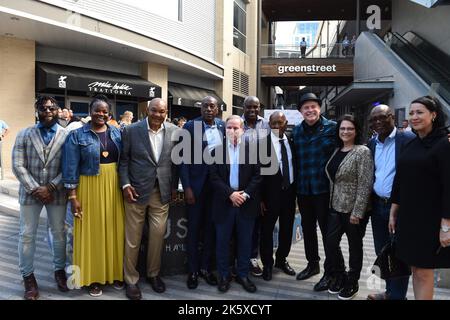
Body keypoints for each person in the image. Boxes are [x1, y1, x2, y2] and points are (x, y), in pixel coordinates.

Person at [62, 95, 124, 297]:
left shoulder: (117, 132)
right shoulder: (77, 135)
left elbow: (124, 161)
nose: (101, 114)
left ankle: (113, 273)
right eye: (97, 110)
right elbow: (70, 167)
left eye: (105, 111)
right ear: (90, 111)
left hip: (113, 185)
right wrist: (73, 196)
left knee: (113, 230)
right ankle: (92, 278)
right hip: (89, 185)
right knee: (90, 233)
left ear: (109, 113)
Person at [389, 96, 450, 300]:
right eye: (411, 113)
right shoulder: (411, 143)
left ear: (433, 115)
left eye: (419, 112)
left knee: (424, 272)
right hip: (409, 218)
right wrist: (393, 210)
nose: (414, 117)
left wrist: (446, 226)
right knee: (415, 269)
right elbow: (400, 179)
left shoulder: (444, 145)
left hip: (430, 221)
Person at [119, 98, 179, 299]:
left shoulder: (173, 131)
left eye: (162, 112)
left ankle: (154, 274)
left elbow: (175, 163)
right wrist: (125, 184)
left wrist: (173, 187)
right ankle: (131, 280)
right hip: (135, 192)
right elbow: (124, 161)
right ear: (147, 110)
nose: (158, 115)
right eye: (154, 111)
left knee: (157, 236)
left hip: (161, 192)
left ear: (166, 112)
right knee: (132, 239)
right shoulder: (131, 130)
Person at [12, 95, 69, 300]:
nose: (47, 112)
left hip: (57, 192)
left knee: (60, 233)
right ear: (37, 110)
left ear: (58, 110)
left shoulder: (66, 135)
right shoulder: (24, 134)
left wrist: (52, 187)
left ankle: (59, 270)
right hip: (30, 194)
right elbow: (17, 165)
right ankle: (28, 276)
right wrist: (37, 188)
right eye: (43, 108)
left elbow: (69, 166)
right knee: (27, 235)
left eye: (52, 108)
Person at [293, 92, 344, 292]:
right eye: (305, 107)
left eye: (313, 106)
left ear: (319, 108)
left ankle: (332, 271)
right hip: (304, 190)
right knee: (307, 230)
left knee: (328, 233)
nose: (310, 110)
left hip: (325, 191)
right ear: (300, 112)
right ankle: (312, 264)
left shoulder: (333, 128)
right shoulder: (296, 131)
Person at [366, 104, 414, 300]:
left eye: (382, 117)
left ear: (392, 117)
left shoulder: (408, 140)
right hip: (378, 206)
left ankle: (397, 297)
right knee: (383, 252)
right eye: (374, 120)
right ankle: (389, 292)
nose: (378, 122)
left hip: (400, 207)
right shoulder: (372, 143)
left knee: (398, 255)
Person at [209, 115, 262, 293]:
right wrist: (230, 194)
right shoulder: (215, 150)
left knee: (245, 242)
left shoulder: (252, 150)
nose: (232, 131)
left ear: (243, 130)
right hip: (224, 203)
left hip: (246, 204)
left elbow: (257, 177)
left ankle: (243, 274)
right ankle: (224, 275)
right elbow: (213, 177)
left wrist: (244, 195)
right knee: (222, 242)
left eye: (235, 128)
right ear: (225, 130)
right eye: (229, 128)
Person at [325, 114, 374, 300]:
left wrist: (358, 212)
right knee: (330, 243)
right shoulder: (337, 150)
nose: (345, 132)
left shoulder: (362, 151)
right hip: (335, 207)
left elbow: (365, 183)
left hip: (353, 210)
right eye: (342, 128)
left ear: (356, 131)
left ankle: (352, 282)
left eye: (350, 128)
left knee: (355, 247)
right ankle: (340, 274)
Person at [180, 96, 224, 289]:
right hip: (196, 187)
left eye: (211, 106)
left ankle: (205, 268)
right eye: (205, 106)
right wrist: (187, 187)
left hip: (217, 188)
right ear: (200, 109)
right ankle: (193, 271)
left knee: (210, 229)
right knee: (194, 229)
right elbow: (182, 160)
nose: (208, 109)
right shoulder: (190, 127)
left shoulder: (223, 126)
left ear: (217, 109)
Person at [260, 111, 297, 281]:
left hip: (289, 194)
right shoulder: (261, 144)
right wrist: (260, 198)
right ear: (269, 123)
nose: (276, 127)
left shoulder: (292, 141)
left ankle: (281, 260)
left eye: (279, 123)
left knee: (287, 229)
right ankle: (267, 264)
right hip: (269, 196)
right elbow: (257, 174)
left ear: (286, 123)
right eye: (273, 123)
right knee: (267, 231)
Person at [241, 96, 270, 277]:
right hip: (239, 180)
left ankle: (252, 257)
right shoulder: (236, 124)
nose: (252, 110)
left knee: (255, 225)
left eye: (256, 107)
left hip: (259, 181)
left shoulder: (266, 125)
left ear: (260, 108)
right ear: (243, 108)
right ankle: (237, 259)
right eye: (249, 107)